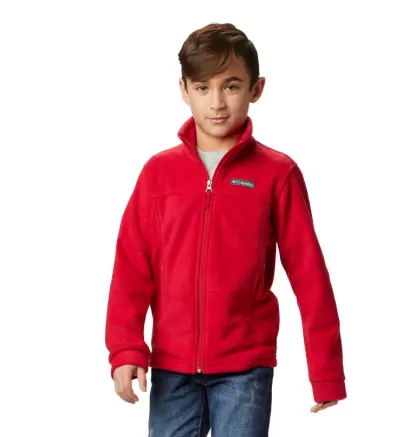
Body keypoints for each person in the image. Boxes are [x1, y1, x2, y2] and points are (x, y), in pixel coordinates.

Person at [105, 22, 347, 436]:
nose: (216, 102)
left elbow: (309, 276)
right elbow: (131, 266)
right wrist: (126, 348)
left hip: (245, 368)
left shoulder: (277, 174)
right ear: (184, 89)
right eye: (203, 87)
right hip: (172, 366)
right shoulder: (158, 174)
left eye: (231, 86)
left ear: (256, 88)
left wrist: (326, 372)